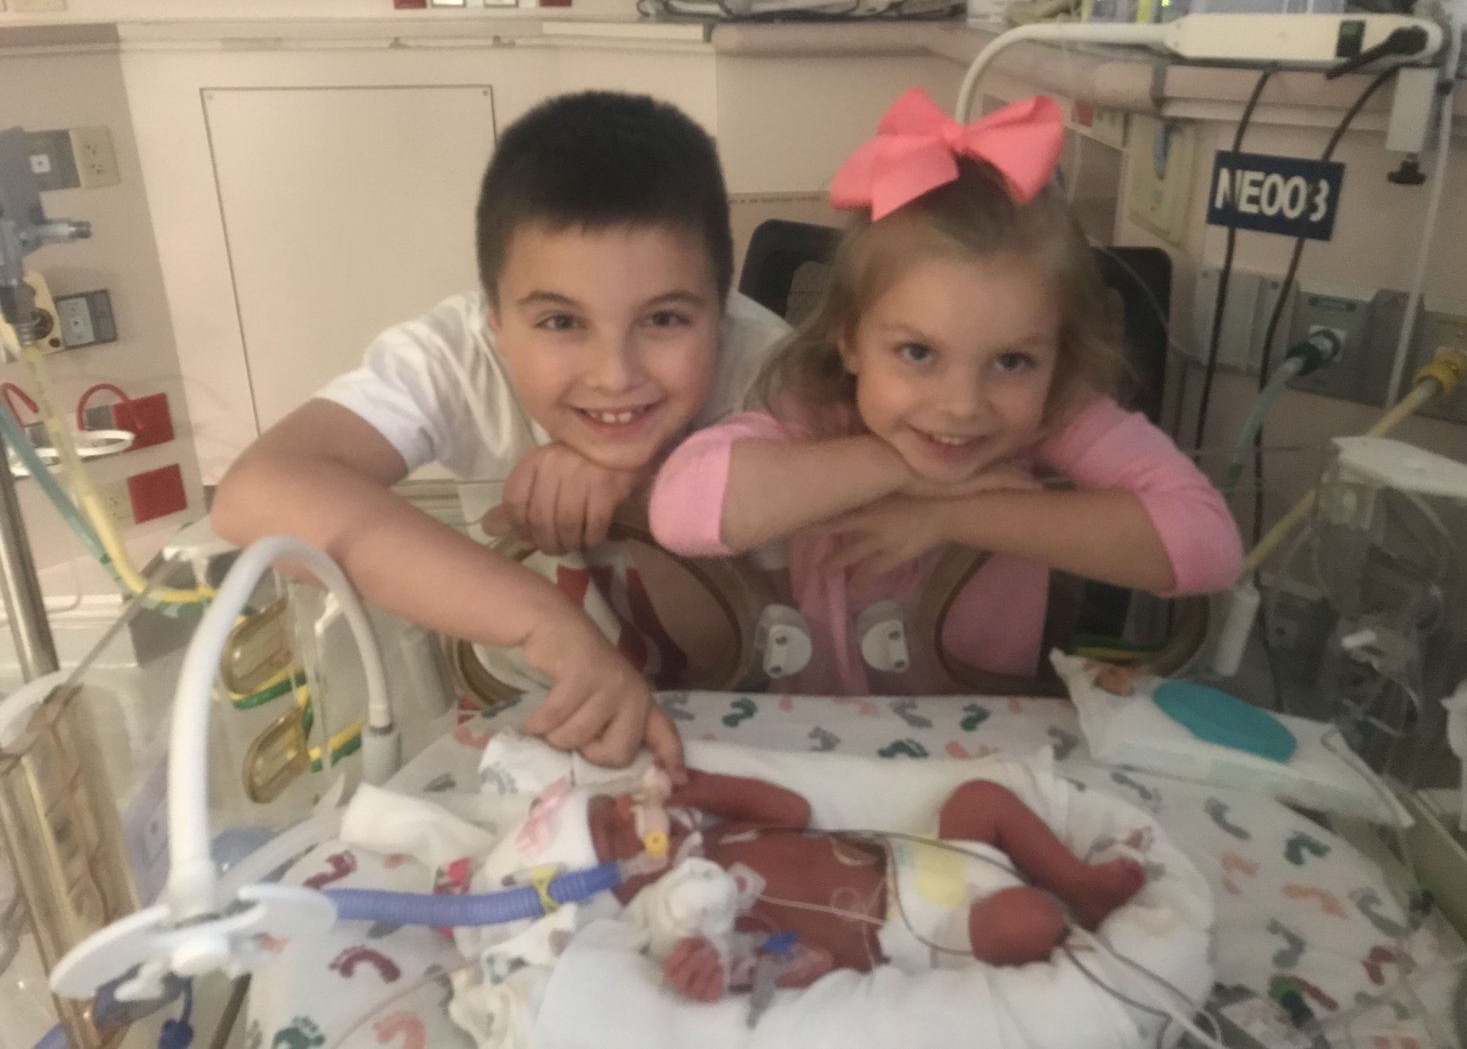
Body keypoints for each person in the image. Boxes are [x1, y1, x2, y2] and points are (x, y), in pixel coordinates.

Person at [212, 91, 787, 770]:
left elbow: (876, 522)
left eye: (663, 319)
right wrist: (543, 622)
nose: (614, 376)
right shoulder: (456, 355)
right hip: (531, 719)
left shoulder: (769, 365)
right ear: (494, 320)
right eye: (561, 322)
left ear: (721, 309)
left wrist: (646, 475)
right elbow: (255, 494)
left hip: (749, 727)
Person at [649, 88, 1242, 694]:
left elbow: (1208, 544)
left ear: (1058, 352)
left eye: (1012, 361)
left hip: (986, 745)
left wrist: (949, 517)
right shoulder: (817, 405)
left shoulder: (1055, 411)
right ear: (850, 339)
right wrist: (899, 468)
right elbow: (680, 510)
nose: (962, 405)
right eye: (918, 353)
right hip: (820, 739)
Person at [587, 768, 1147, 1000]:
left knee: (979, 799)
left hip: (918, 860)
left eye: (614, 805)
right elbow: (792, 963)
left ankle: (1081, 886)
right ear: (628, 888)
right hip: (923, 931)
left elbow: (791, 808)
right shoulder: (696, 920)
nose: (627, 809)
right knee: (1027, 919)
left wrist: (703, 790)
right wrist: (727, 964)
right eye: (616, 833)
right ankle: (1059, 914)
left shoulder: (725, 841)